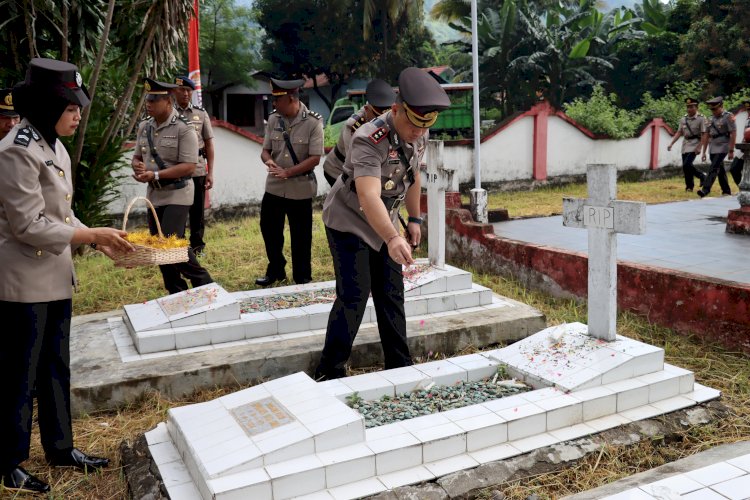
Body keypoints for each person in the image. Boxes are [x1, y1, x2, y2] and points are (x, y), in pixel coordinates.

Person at [0, 58, 134, 494]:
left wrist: (96, 239)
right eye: (71, 107)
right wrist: (86, 233)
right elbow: (26, 224)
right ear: (45, 106)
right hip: (22, 280)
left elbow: (61, 210)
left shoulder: (52, 145)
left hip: (55, 273)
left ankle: (61, 447)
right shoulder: (17, 151)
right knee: (19, 374)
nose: (78, 115)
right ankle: (10, 461)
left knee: (55, 365)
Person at [314, 67, 450, 380]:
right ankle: (329, 370)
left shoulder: (419, 133)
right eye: (413, 124)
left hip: (383, 222)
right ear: (396, 109)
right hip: (349, 220)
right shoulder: (367, 138)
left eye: (424, 126)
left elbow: (413, 175)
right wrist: (392, 238)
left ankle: (400, 366)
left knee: (391, 292)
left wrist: (414, 219)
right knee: (354, 296)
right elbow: (368, 196)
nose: (418, 132)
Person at [131, 78, 213, 294]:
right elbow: (137, 157)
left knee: (170, 242)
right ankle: (176, 291)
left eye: (155, 99)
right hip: (154, 194)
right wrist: (138, 168)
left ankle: (204, 284)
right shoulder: (144, 127)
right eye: (148, 99)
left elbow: (188, 166)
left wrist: (155, 173)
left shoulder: (184, 129)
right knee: (158, 246)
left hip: (178, 192)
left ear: (168, 101)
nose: (149, 103)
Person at [256, 77, 324, 287]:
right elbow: (265, 150)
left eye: (278, 100)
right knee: (269, 229)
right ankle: (276, 269)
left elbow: (315, 158)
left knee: (301, 236)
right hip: (274, 187)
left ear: (292, 98)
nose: (274, 104)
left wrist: (289, 172)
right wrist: (269, 162)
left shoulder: (313, 122)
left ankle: (302, 277)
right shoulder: (274, 119)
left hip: (300, 188)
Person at [322, 79, 396, 186]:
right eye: (377, 116)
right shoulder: (353, 125)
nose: (382, 121)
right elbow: (354, 162)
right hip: (337, 170)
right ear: (367, 109)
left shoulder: (390, 117)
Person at [172, 75, 215, 255]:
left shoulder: (200, 113)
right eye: (182, 90)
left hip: (197, 169)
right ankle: (178, 246)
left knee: (197, 212)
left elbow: (209, 144)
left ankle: (197, 246)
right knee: (177, 210)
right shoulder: (168, 113)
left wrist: (210, 172)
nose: (185, 94)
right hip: (174, 170)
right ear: (174, 91)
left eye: (189, 90)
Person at [667, 97, 706, 192]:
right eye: (688, 107)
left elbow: (704, 134)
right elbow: (679, 132)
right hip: (685, 144)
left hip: (695, 144)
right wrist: (671, 143)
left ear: (696, 107)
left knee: (687, 164)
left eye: (691, 107)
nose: (689, 109)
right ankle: (689, 187)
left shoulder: (701, 119)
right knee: (686, 167)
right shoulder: (683, 119)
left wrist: (700, 146)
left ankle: (702, 176)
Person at [698, 96, 735, 198]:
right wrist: (704, 152)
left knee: (714, 167)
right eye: (711, 109)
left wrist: (731, 149)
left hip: (724, 145)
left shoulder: (728, 116)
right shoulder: (710, 119)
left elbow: (733, 133)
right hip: (713, 146)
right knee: (720, 168)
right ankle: (726, 190)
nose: (713, 111)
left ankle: (705, 190)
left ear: (721, 106)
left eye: (715, 109)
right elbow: (706, 135)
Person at [728, 100, 750, 188]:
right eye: (748, 110)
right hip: (745, 148)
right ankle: (743, 189)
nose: (749, 112)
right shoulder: (748, 120)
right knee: (734, 168)